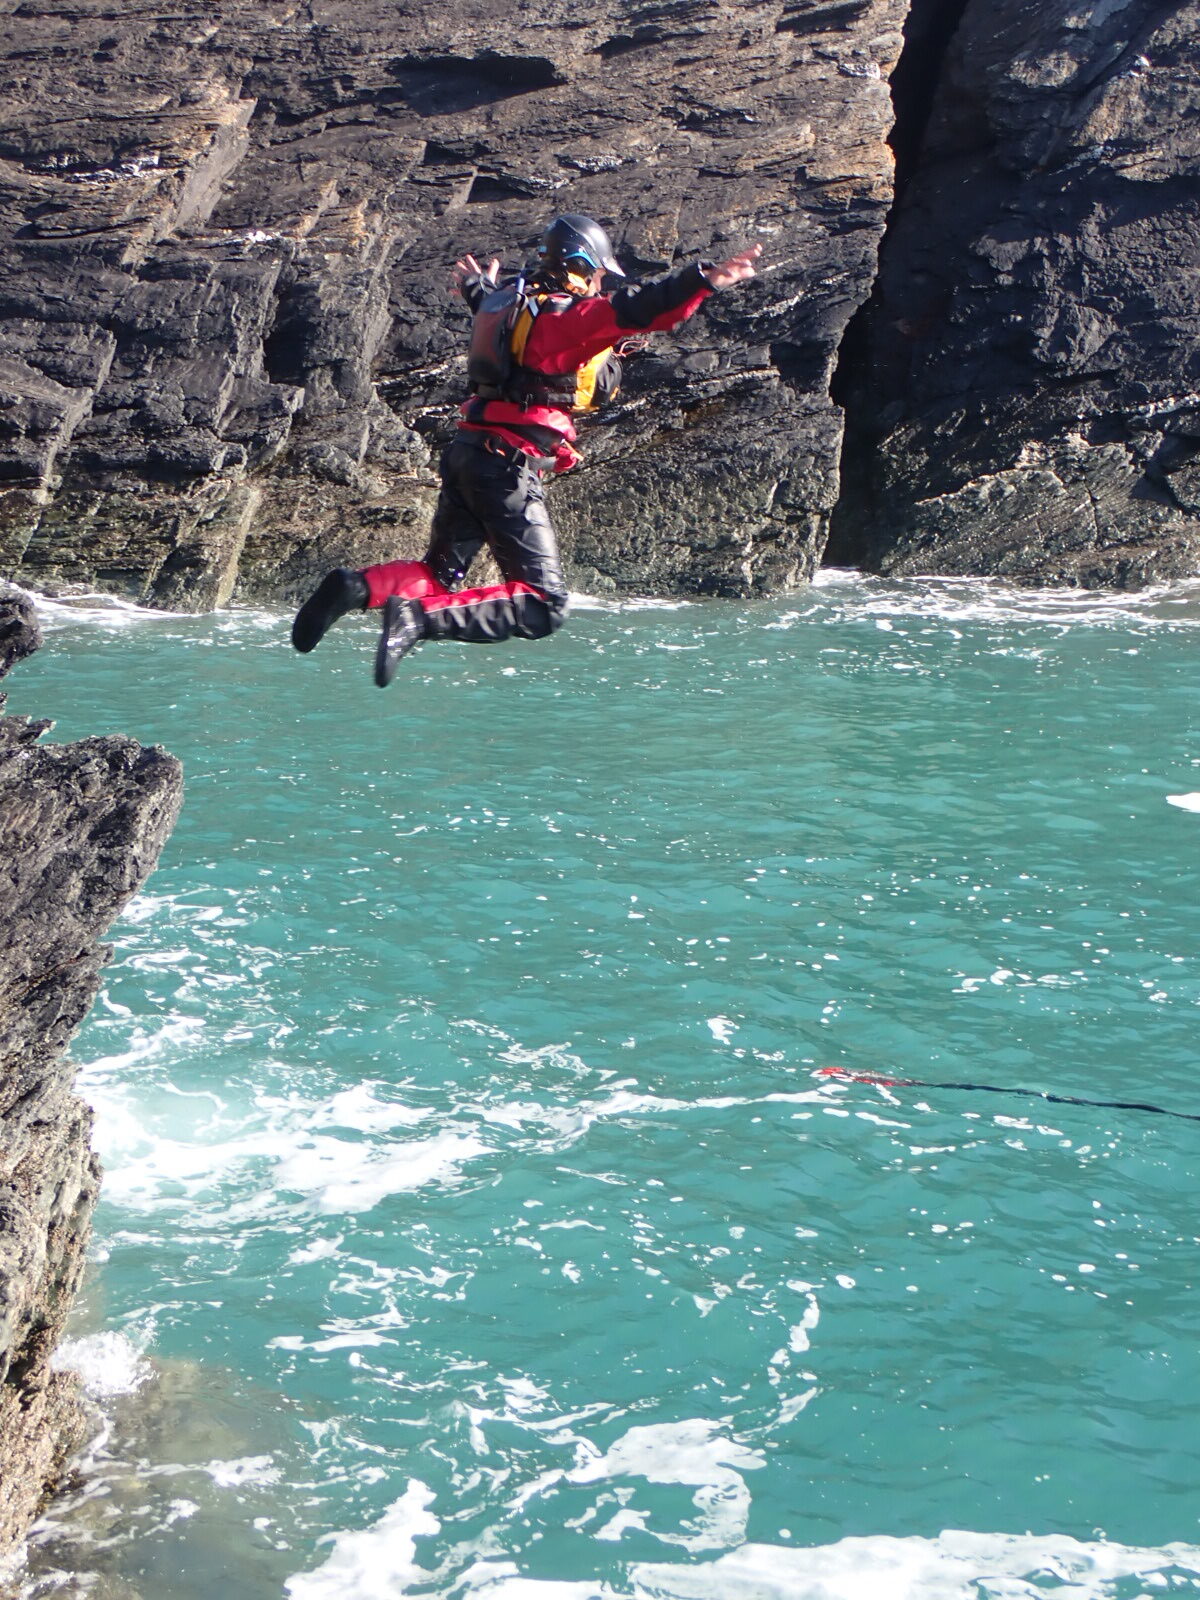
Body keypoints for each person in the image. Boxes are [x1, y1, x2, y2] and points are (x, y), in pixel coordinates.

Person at [291, 214, 761, 685]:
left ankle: (355, 587)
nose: (601, 284)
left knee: (440, 574)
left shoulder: (508, 301)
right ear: (581, 265)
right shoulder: (567, 318)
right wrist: (704, 280)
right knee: (542, 605)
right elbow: (644, 306)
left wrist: (476, 286)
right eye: (599, 274)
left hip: (469, 455)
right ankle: (415, 619)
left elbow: (500, 320)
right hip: (505, 469)